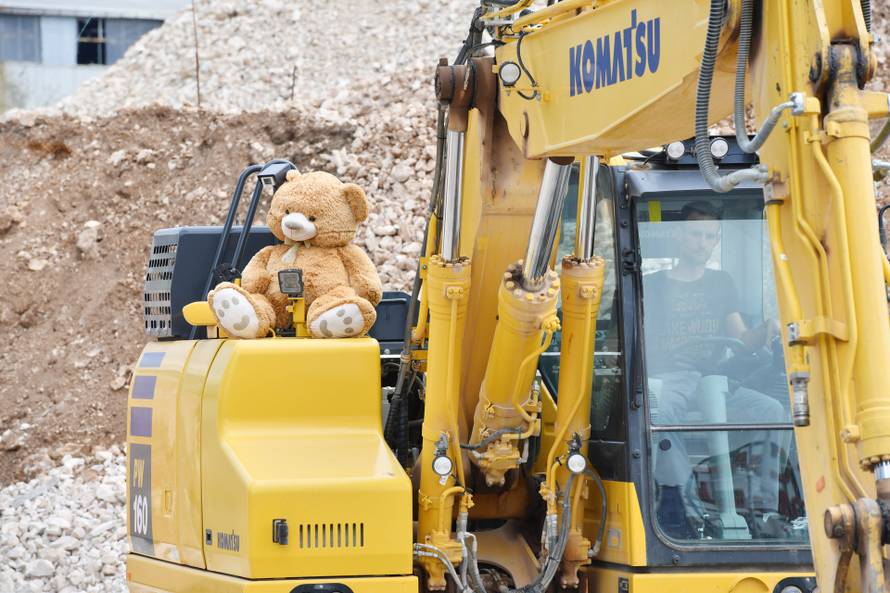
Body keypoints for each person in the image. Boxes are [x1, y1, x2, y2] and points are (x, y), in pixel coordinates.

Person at [642, 200, 789, 540]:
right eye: (696, 234)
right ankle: (678, 505)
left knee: (771, 409)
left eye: (710, 237)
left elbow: (740, 337)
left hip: (714, 380)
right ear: (679, 235)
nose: (702, 243)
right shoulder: (652, 285)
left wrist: (767, 329)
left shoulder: (722, 283)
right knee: (658, 412)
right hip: (667, 379)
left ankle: (763, 509)